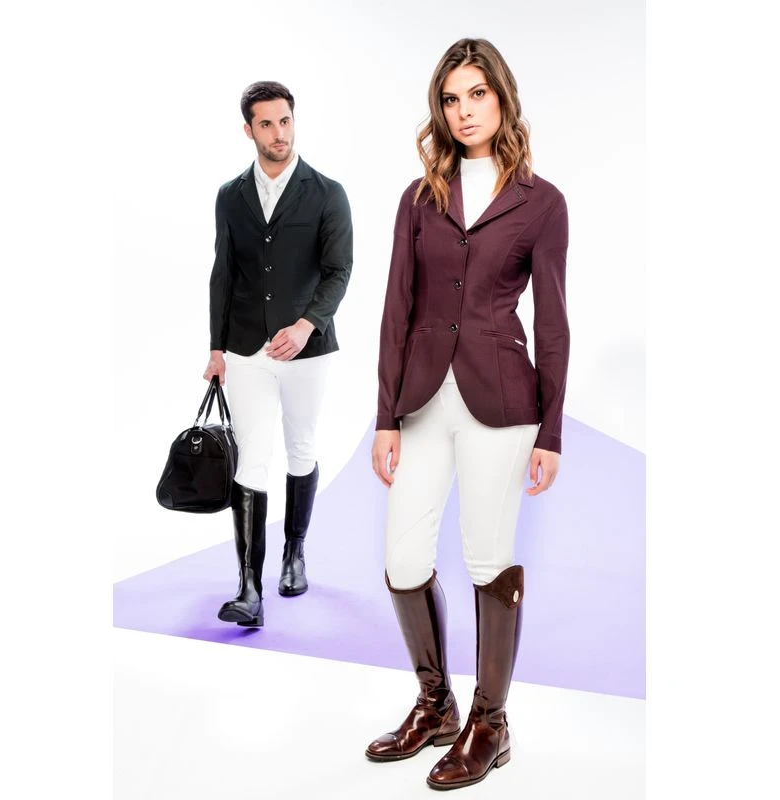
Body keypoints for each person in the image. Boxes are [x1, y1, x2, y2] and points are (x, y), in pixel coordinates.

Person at [365, 39, 569, 790]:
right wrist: (385, 416)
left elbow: (553, 322)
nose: (464, 110)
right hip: (422, 398)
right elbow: (396, 308)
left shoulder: (541, 202)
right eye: (451, 99)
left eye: (477, 93)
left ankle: (491, 722)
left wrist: (552, 430)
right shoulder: (419, 198)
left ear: (502, 98)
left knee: (487, 557)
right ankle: (436, 706)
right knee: (404, 558)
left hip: (503, 404)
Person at [204, 81, 353, 628]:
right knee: (252, 458)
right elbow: (223, 273)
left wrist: (307, 325)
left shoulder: (327, 193)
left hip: (307, 351)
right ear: (249, 130)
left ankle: (294, 553)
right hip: (247, 349)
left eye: (285, 121)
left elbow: (339, 270)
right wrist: (216, 348)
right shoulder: (230, 195)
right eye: (266, 124)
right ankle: (249, 588)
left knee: (301, 447)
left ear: (294, 121)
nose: (278, 133)